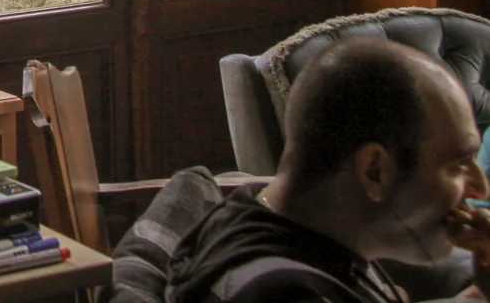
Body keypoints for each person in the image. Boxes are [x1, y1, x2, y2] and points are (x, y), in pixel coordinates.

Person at [165, 37, 490, 303]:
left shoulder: (262, 219)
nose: (480, 188)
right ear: (374, 171)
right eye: (459, 163)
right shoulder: (283, 294)